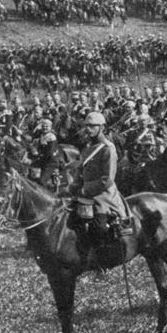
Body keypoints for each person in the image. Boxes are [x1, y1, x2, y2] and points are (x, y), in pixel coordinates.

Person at [69, 111, 129, 261]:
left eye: (92, 126)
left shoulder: (108, 148)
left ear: (102, 127)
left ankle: (104, 260)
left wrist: (85, 189)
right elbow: (81, 170)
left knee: (99, 226)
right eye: (86, 126)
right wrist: (74, 185)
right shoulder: (88, 147)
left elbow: (107, 179)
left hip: (103, 195)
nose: (88, 129)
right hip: (86, 192)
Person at [30, 118, 63, 190]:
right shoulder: (41, 135)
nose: (45, 127)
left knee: (42, 181)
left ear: (50, 127)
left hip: (50, 161)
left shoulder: (52, 137)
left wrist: (39, 156)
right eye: (43, 126)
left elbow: (50, 153)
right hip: (42, 160)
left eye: (47, 126)